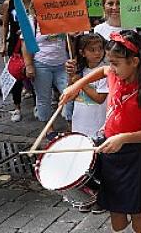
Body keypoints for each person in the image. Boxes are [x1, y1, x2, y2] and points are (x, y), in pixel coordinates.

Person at [59, 30, 141, 233]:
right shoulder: (115, 75)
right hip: (110, 151)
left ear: (134, 62)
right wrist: (77, 85)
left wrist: (123, 138)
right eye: (111, 62)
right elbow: (102, 70)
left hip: (136, 155)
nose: (112, 68)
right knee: (115, 208)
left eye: (116, 63)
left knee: (137, 209)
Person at [61, 33, 109, 212]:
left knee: (99, 163)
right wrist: (72, 79)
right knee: (83, 161)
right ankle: (88, 195)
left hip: (98, 123)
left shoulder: (105, 71)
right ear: (82, 52)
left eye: (100, 49)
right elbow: (70, 93)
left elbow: (99, 98)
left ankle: (102, 197)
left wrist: (80, 83)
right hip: (80, 121)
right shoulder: (79, 71)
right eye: (92, 50)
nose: (97, 53)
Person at [23, 0, 69, 123]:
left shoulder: (64, 14)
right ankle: (48, 131)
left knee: (70, 96)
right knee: (44, 100)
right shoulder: (33, 19)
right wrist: (29, 65)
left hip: (63, 63)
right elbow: (26, 43)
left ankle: (70, 128)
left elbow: (70, 38)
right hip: (41, 64)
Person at [0, 0, 36, 122]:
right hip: (16, 44)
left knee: (35, 74)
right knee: (16, 75)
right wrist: (3, 43)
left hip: (33, 42)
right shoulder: (11, 4)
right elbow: (4, 25)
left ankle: (37, 104)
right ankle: (17, 108)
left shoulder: (37, 2)